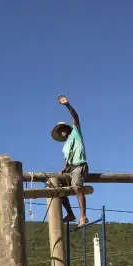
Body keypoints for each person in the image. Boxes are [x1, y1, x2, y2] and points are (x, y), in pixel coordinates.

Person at [51, 94, 88, 226]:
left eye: (62, 129)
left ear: (67, 128)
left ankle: (83, 216)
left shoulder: (76, 132)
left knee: (77, 187)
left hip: (79, 166)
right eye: (59, 130)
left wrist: (67, 104)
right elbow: (67, 160)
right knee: (53, 184)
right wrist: (63, 169)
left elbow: (75, 117)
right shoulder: (65, 146)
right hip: (70, 168)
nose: (61, 132)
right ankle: (70, 213)